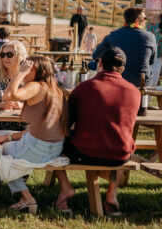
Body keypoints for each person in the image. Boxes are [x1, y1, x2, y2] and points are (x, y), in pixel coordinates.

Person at [53, 47, 140, 215]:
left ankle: (65, 188)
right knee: (119, 142)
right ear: (122, 68)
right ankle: (112, 193)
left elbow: (66, 124)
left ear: (99, 63)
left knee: (52, 145)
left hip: (85, 152)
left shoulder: (84, 88)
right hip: (121, 156)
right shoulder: (134, 92)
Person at [0, 56, 67, 213]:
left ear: (40, 71)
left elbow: (7, 95)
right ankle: (65, 188)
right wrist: (8, 137)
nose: (25, 69)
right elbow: (39, 129)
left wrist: (19, 74)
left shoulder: (36, 86)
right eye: (23, 66)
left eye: (28, 67)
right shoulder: (56, 89)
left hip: (37, 149)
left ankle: (26, 197)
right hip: (55, 148)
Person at [92, 7, 157, 87]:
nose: (146, 21)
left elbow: (95, 55)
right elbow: (152, 61)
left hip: (119, 79)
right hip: (141, 81)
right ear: (137, 21)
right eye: (144, 19)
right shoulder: (150, 37)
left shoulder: (113, 35)